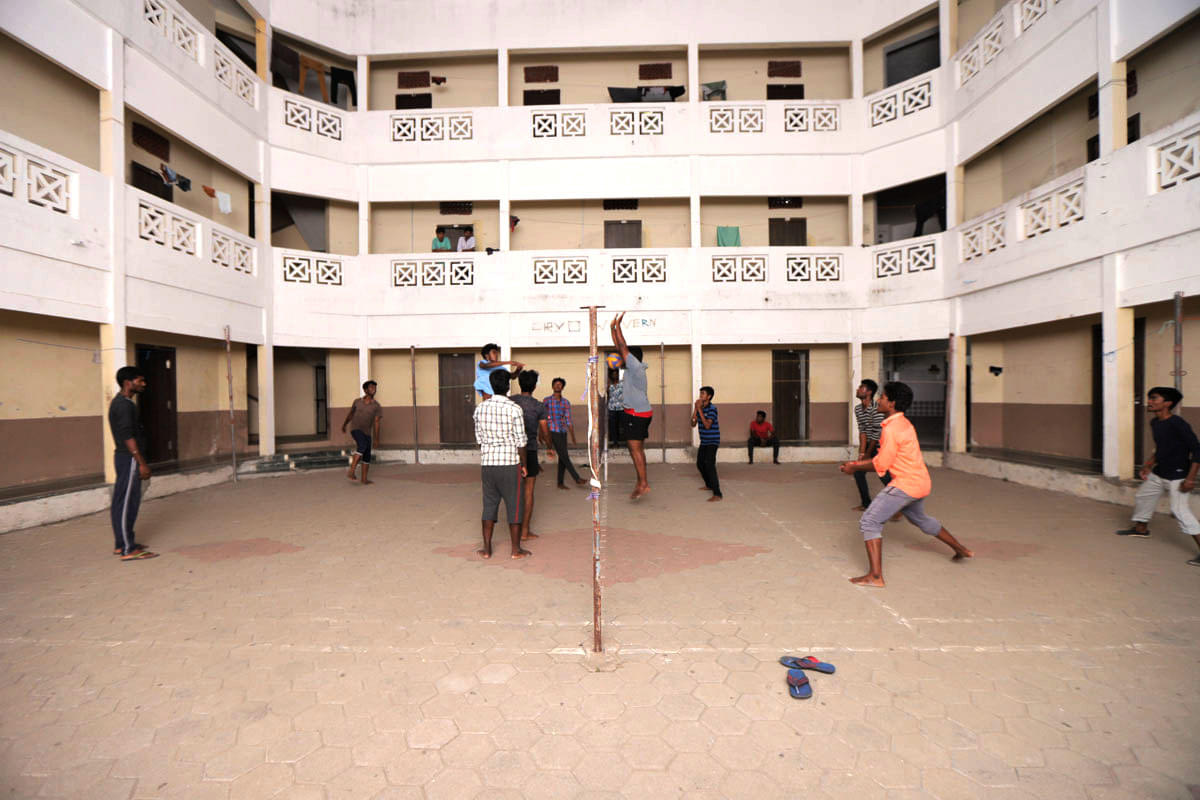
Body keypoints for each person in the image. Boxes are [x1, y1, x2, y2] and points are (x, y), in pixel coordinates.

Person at [838, 381, 973, 587]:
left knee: (870, 522)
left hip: (905, 485)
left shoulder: (891, 429)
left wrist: (853, 467)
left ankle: (875, 576)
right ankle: (961, 549)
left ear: (891, 403)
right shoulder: (904, 423)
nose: (879, 400)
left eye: (882, 397)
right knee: (920, 518)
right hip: (921, 483)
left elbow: (881, 463)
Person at [1115, 386, 1200, 566]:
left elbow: (1197, 450)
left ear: (1167, 403)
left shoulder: (1178, 423)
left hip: (1178, 476)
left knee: (1180, 511)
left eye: (1154, 398)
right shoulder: (1155, 422)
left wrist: (1191, 478)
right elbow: (1161, 448)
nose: (1150, 401)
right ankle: (1141, 529)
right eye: (1150, 398)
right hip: (1160, 472)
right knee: (1143, 496)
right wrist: (1148, 464)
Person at [472, 370, 531, 560]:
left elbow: (479, 440)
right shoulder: (514, 409)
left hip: (488, 464)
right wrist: (524, 465)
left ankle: (487, 550)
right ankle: (515, 550)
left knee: (488, 505)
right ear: (507, 387)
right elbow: (521, 441)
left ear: (491, 384)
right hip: (509, 463)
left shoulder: (480, 409)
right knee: (514, 506)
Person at [108, 366, 158, 561]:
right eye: (140, 380)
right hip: (128, 459)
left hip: (126, 458)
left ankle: (122, 544)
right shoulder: (124, 405)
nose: (143, 384)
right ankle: (128, 549)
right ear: (128, 382)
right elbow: (127, 436)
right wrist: (141, 462)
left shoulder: (124, 403)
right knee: (126, 503)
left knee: (123, 501)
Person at [611, 312, 651, 499]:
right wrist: (612, 328)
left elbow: (622, 346)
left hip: (635, 415)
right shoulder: (635, 369)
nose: (622, 355)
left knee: (635, 450)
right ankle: (641, 481)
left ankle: (643, 483)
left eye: (625, 355)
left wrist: (618, 327)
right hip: (641, 413)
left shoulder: (634, 366)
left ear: (632, 357)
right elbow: (620, 347)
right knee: (638, 450)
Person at [510, 370, 552, 542]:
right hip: (531, 451)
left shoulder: (510, 402)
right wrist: (550, 446)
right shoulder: (538, 406)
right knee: (528, 492)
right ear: (534, 386)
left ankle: (513, 530)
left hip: (510, 452)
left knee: (512, 491)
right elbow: (544, 430)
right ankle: (525, 531)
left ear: (520, 384)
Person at [544, 377, 587, 489]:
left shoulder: (566, 402)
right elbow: (542, 419)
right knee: (564, 456)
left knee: (563, 457)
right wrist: (542, 434)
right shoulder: (547, 401)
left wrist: (572, 436)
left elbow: (568, 420)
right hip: (552, 431)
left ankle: (560, 483)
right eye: (556, 384)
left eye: (560, 385)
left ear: (563, 387)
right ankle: (577, 478)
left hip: (562, 431)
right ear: (552, 386)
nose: (558, 386)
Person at [851, 379, 887, 509]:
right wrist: (862, 453)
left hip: (879, 446)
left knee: (884, 475)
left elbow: (876, 436)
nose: (858, 390)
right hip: (869, 446)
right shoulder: (858, 409)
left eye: (862, 388)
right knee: (858, 472)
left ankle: (900, 505)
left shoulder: (876, 409)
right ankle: (866, 503)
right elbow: (863, 431)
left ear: (869, 392)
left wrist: (867, 454)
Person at [342, 380, 382, 485]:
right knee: (362, 445)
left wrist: (377, 439)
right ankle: (352, 471)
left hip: (367, 433)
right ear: (365, 390)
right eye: (371, 387)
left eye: (375, 388)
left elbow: (376, 423)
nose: (374, 389)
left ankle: (364, 479)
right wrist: (345, 424)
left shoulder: (376, 406)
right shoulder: (357, 402)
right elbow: (350, 414)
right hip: (355, 429)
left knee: (367, 455)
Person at [692, 385, 723, 502]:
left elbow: (707, 425)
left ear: (709, 396)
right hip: (704, 441)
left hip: (713, 441)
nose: (700, 396)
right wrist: (696, 409)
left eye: (703, 394)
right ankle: (709, 484)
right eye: (700, 394)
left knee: (709, 465)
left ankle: (717, 493)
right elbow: (692, 424)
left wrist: (699, 410)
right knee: (700, 464)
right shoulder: (700, 408)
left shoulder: (712, 409)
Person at [606, 367, 624, 451]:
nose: (614, 375)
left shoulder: (622, 384)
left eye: (616, 374)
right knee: (613, 426)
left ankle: (626, 442)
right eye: (613, 374)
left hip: (622, 407)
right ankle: (615, 442)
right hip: (612, 408)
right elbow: (608, 395)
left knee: (623, 426)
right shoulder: (609, 385)